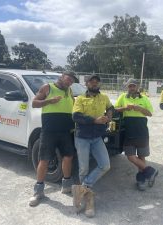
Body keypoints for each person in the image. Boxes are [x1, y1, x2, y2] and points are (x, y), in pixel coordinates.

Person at [29, 71, 76, 207]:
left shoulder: (69, 91)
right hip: (49, 131)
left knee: (68, 157)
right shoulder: (47, 87)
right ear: (61, 77)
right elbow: (34, 103)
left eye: (72, 81)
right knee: (44, 159)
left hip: (66, 131)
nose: (69, 82)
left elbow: (72, 105)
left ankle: (66, 185)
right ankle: (38, 192)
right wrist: (50, 101)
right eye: (68, 79)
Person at [72, 74, 113, 217]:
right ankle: (87, 200)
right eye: (91, 81)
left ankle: (83, 188)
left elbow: (111, 107)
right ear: (87, 83)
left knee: (105, 164)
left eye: (97, 82)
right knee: (84, 168)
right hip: (82, 137)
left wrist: (109, 114)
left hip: (97, 137)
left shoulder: (104, 98)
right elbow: (76, 117)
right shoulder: (80, 99)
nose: (94, 83)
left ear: (99, 84)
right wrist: (95, 120)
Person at [115, 78, 158, 191]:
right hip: (129, 131)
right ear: (127, 87)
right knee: (130, 156)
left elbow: (149, 113)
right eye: (130, 86)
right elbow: (115, 109)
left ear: (137, 87)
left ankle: (141, 180)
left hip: (142, 131)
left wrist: (139, 108)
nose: (132, 88)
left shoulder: (144, 98)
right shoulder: (122, 97)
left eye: (134, 86)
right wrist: (125, 108)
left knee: (141, 156)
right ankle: (150, 171)